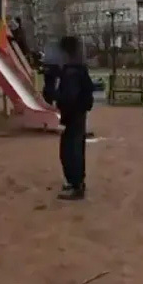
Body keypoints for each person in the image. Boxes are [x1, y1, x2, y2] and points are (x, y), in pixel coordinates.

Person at [54, 36, 94, 200]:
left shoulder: (71, 71)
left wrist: (64, 119)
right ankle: (76, 182)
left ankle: (75, 185)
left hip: (72, 115)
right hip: (79, 114)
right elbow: (88, 90)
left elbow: (69, 97)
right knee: (76, 147)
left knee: (69, 150)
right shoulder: (79, 68)